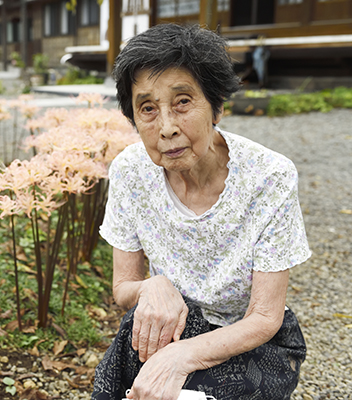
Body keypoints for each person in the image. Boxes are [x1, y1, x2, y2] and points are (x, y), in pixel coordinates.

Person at [92, 24, 310, 400]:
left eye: (183, 102)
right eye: (147, 109)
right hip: (173, 321)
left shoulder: (269, 177)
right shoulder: (130, 171)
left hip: (251, 338)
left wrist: (181, 356)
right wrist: (153, 286)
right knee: (120, 385)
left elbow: (264, 317)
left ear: (217, 106)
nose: (167, 128)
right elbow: (123, 288)